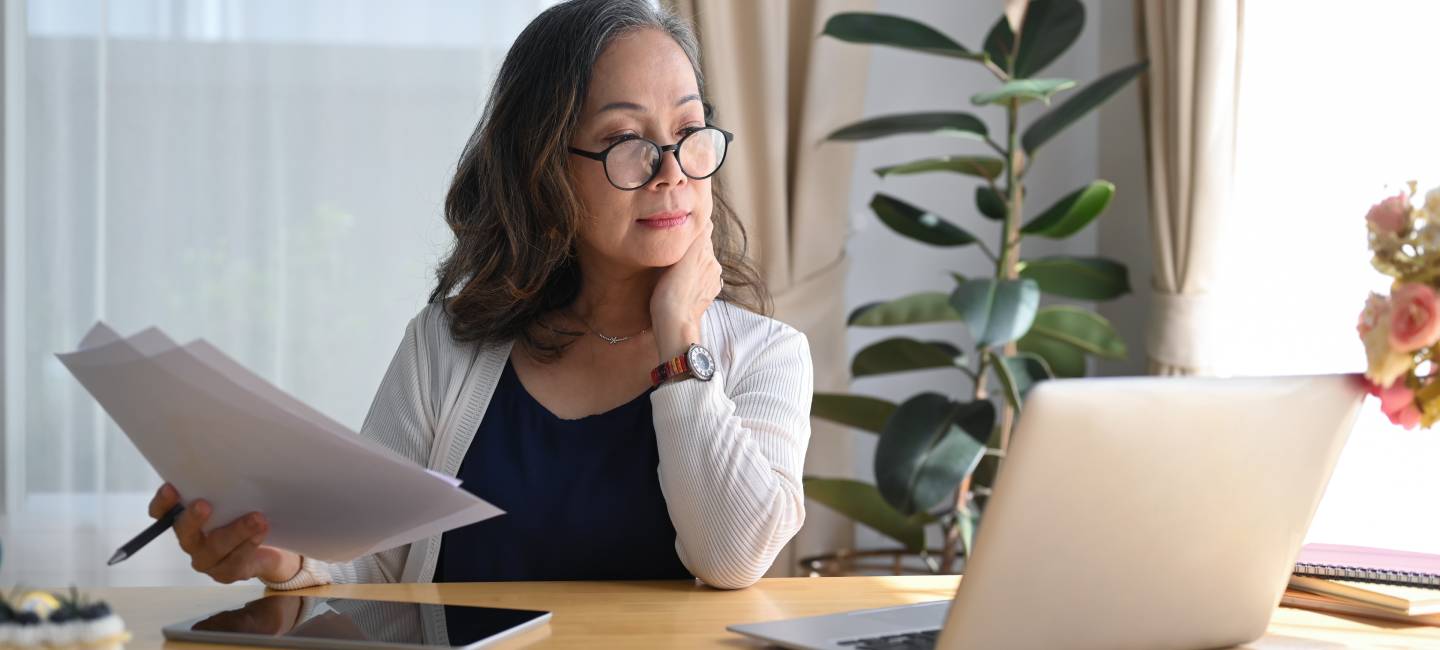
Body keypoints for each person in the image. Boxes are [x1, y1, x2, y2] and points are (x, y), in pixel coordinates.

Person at [145, 0, 813, 591]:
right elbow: (372, 558)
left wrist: (678, 337)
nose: (671, 171)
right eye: (623, 140)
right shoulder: (447, 346)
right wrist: (284, 559)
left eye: (688, 130)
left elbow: (731, 556)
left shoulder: (767, 356)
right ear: (544, 166)